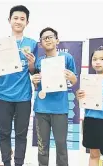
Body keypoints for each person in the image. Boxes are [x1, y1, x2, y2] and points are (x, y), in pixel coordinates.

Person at [0, 5, 38, 166]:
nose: (18, 21)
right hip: (3, 95)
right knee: (4, 133)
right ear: (9, 20)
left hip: (23, 95)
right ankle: (6, 163)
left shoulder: (32, 43)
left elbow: (33, 72)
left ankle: (19, 163)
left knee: (21, 134)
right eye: (15, 18)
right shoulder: (0, 44)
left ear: (27, 22)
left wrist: (31, 64)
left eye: (22, 19)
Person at [32, 27, 77, 166]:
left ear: (57, 40)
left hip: (60, 109)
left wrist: (73, 78)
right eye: (44, 38)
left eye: (50, 37)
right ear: (40, 44)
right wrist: (34, 82)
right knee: (42, 147)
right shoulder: (39, 61)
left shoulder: (67, 58)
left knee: (61, 146)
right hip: (41, 109)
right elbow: (37, 86)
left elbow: (74, 81)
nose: (47, 40)